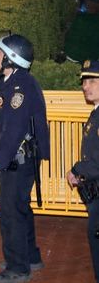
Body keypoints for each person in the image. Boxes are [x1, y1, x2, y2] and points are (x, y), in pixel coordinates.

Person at [0, 33, 49, 283]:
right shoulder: (8, 83)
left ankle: (18, 267)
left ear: (11, 59)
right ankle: (29, 257)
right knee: (20, 208)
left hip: (18, 161)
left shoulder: (21, 87)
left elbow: (14, 129)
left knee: (10, 212)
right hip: (13, 160)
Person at [68, 60, 99, 283]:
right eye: (84, 81)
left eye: (91, 81)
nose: (85, 86)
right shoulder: (95, 114)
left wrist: (76, 169)